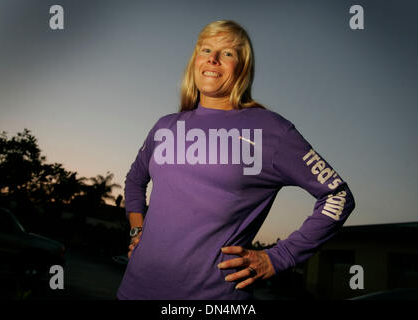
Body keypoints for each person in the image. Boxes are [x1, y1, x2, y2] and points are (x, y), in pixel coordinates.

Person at [116, 20, 355, 300]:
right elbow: (135, 180)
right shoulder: (166, 126)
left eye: (227, 53)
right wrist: (137, 228)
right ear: (195, 60)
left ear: (242, 68)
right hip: (134, 291)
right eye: (206, 49)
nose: (213, 59)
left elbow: (338, 196)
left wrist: (279, 257)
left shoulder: (271, 131)